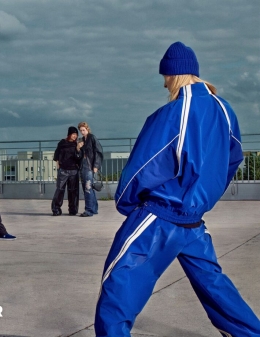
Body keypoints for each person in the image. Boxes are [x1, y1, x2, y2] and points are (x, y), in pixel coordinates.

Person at [95, 42, 260, 336]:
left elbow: (144, 167)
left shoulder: (172, 113)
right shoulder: (225, 110)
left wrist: (126, 203)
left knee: (118, 288)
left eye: (165, 77)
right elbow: (232, 159)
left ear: (174, 75)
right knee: (216, 288)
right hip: (194, 220)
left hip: (159, 216)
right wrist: (203, 196)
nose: (164, 84)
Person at [51, 126, 81, 216]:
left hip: (74, 170)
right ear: (69, 134)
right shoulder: (62, 143)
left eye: (76, 134)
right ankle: (56, 209)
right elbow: (57, 154)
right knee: (59, 190)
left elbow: (79, 158)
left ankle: (73, 210)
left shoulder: (77, 144)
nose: (74, 136)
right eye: (73, 134)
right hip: (63, 169)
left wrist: (78, 149)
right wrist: (57, 162)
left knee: (73, 191)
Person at [76, 121, 103, 217]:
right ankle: (94, 209)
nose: (82, 132)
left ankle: (89, 210)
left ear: (87, 129)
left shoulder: (92, 138)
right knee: (87, 188)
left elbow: (98, 152)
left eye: (84, 130)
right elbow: (79, 155)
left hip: (89, 166)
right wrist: (78, 148)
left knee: (88, 188)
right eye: (81, 130)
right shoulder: (82, 140)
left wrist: (96, 166)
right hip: (83, 166)